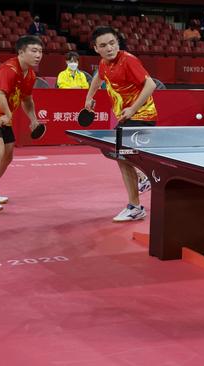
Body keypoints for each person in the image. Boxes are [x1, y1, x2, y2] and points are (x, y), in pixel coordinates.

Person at [83, 26, 157, 222]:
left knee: (121, 155)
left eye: (112, 43)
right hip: (127, 117)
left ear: (118, 42)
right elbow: (99, 77)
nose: (109, 48)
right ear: (96, 48)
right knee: (121, 156)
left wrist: (132, 109)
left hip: (141, 115)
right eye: (103, 45)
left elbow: (151, 85)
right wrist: (89, 97)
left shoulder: (128, 60)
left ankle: (137, 200)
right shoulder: (104, 63)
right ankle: (142, 183)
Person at [0, 35, 44, 213]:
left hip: (4, 116)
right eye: (33, 51)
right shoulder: (9, 69)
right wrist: (8, 114)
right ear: (21, 52)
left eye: (40, 51)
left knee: (8, 154)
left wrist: (33, 119)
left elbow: (27, 99)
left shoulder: (31, 74)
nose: (38, 55)